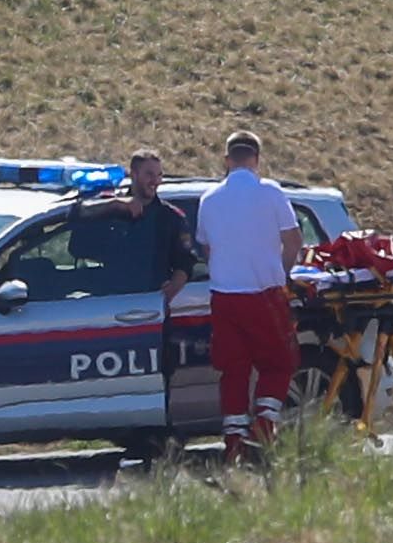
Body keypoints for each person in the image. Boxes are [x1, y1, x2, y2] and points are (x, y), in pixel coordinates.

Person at [193, 130, 305, 463]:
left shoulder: (209, 199)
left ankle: (233, 444)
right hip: (264, 293)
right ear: (256, 160)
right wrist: (282, 274)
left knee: (233, 370)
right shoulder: (270, 192)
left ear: (226, 161)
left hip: (224, 296)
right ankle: (265, 423)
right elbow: (294, 241)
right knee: (279, 362)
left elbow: (207, 247)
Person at [115, 150, 198, 310]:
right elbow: (79, 247)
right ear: (133, 174)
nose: (156, 181)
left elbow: (185, 262)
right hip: (109, 302)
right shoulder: (113, 211)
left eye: (159, 175)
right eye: (149, 174)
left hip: (151, 306)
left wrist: (170, 291)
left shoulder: (171, 217)